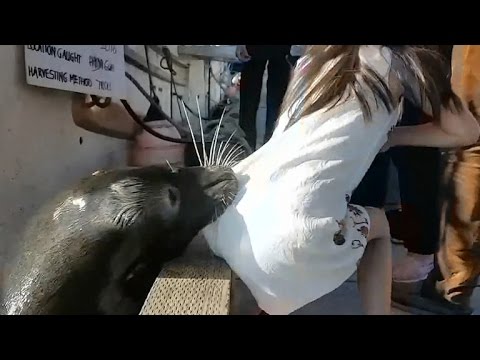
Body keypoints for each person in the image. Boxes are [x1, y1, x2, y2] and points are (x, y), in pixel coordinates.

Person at [201, 45, 479, 315]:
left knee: (299, 218)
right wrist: (394, 137)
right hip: (292, 238)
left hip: (230, 220)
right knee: (377, 226)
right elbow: (466, 132)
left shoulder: (311, 60)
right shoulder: (402, 63)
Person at [236, 45, 293, 150]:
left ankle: (247, 148)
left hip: (257, 52)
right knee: (275, 106)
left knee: (251, 106)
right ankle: (270, 147)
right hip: (277, 52)